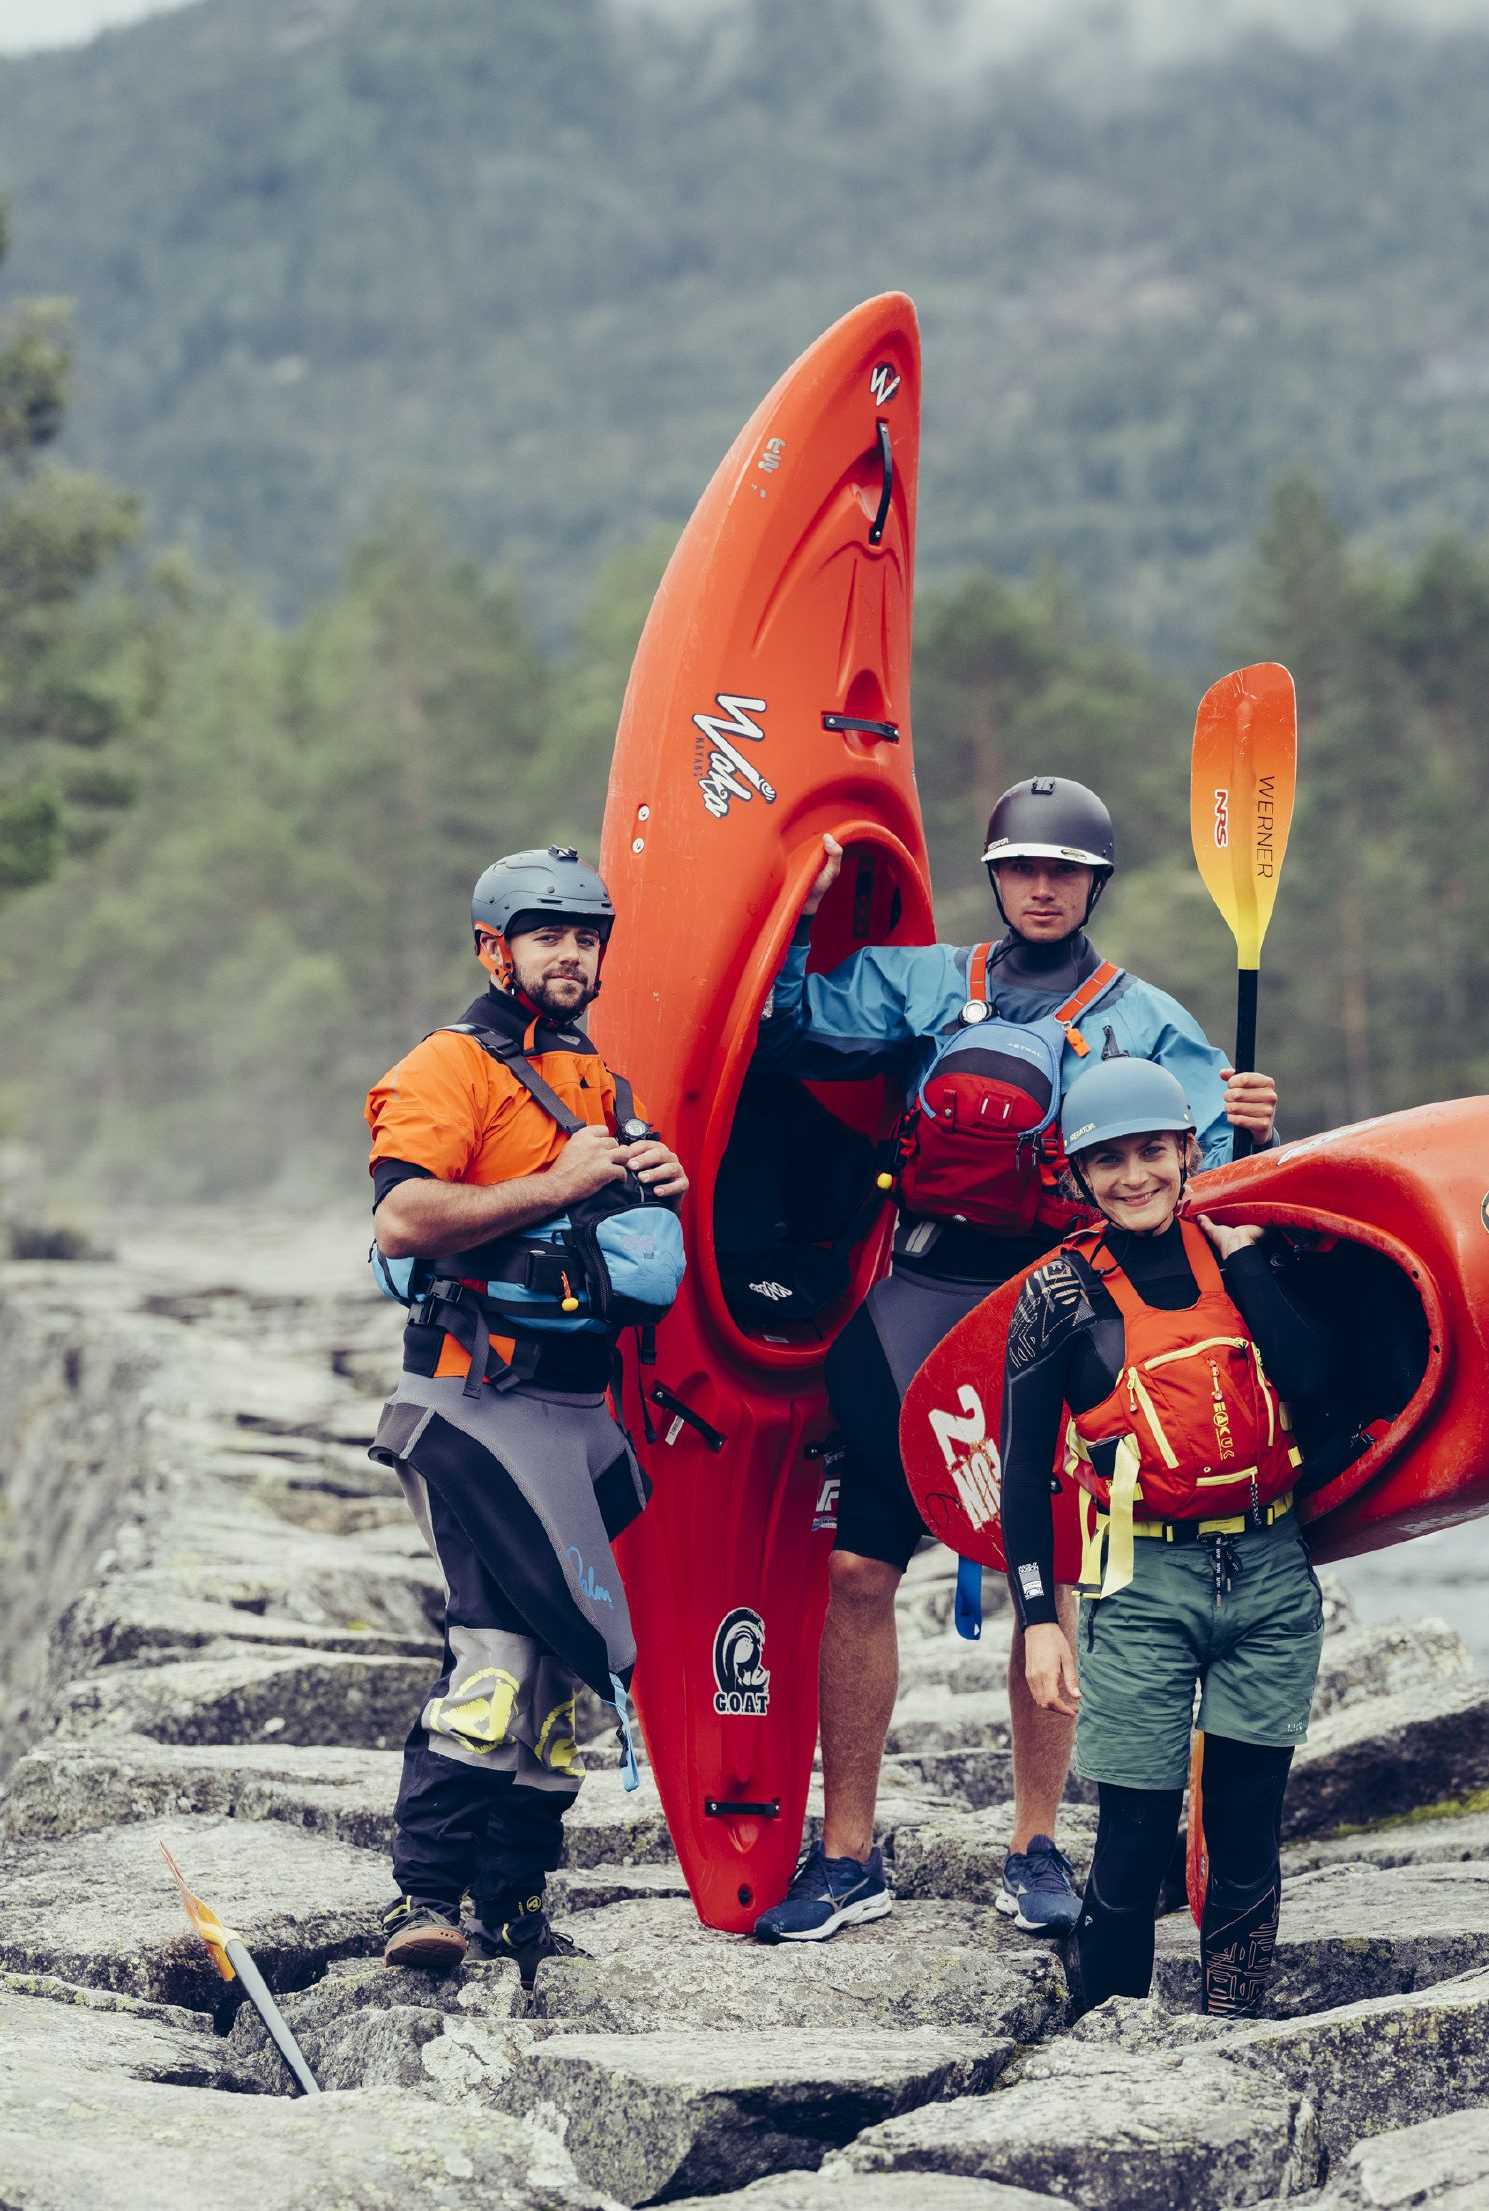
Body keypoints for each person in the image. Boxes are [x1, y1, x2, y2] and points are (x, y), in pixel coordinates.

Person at [749, 776, 1279, 1945]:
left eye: (1065, 871)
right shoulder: (931, 982)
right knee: (856, 1575)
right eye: (1022, 868)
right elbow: (783, 1023)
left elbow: (1209, 1171)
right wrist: (797, 905)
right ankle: (845, 1855)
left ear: (1094, 883)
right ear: (995, 876)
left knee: (1050, 1583)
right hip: (914, 1295)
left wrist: (1255, 1119)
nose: (1042, 887)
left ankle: (1034, 1844)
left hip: (1052, 1306)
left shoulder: (1143, 1019)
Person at [364, 847, 688, 1974]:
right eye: (546, 933)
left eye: (586, 935)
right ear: (491, 948)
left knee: (567, 1673)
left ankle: (511, 1900)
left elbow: (618, 1243)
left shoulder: (598, 1079)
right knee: (497, 1656)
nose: (571, 952)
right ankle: (423, 1896)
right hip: (469, 1405)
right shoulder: (444, 1068)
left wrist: (657, 1189)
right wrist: (561, 1181)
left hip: (571, 1415)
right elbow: (403, 1218)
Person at [1005, 1055, 1367, 2018]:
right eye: (1109, 1160)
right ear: (1078, 1174)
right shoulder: (1055, 1297)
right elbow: (1018, 1475)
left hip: (1270, 1573)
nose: (1134, 1177)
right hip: (1140, 1582)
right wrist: (1042, 1618)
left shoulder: (1244, 1249)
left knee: (1246, 1830)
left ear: (1186, 1152)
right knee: (1132, 1834)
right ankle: (1109, 2040)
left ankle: (1235, 2018)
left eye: (1153, 1153)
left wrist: (1248, 1256)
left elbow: (1319, 1378)